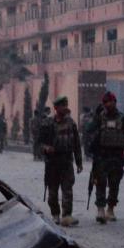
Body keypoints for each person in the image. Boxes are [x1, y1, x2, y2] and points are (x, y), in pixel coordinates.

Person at [87, 91, 124, 223]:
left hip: (117, 156)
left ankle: (111, 208)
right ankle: (100, 209)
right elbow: (88, 131)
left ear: (115, 102)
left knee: (114, 183)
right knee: (100, 182)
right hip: (102, 155)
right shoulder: (99, 118)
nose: (108, 104)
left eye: (110, 101)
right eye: (105, 102)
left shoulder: (123, 119)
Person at [39, 96, 83, 226]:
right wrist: (46, 148)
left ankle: (66, 215)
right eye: (63, 105)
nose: (65, 108)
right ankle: (55, 214)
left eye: (66, 105)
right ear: (56, 108)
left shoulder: (71, 123)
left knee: (67, 190)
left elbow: (77, 144)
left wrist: (79, 162)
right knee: (52, 192)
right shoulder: (47, 124)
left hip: (66, 161)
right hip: (52, 163)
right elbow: (39, 144)